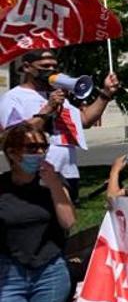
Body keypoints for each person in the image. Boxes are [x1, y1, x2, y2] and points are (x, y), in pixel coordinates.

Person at [0, 49, 120, 202]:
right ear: (26, 67)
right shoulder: (14, 98)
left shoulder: (57, 96)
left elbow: (84, 120)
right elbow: (11, 136)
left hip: (68, 173)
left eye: (54, 66)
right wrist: (47, 110)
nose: (51, 70)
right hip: (36, 174)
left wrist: (106, 94)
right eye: (45, 65)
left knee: (65, 222)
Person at [0, 122, 73, 302]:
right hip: (9, 273)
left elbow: (68, 221)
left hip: (49, 272)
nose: (40, 152)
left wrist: (53, 185)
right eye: (31, 148)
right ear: (12, 153)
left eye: (44, 146)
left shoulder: (54, 181)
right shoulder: (2, 186)